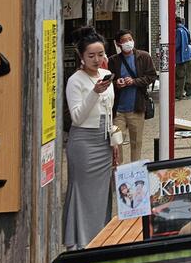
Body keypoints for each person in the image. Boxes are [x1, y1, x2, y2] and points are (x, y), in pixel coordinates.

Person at [63, 28, 115, 249]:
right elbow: (76, 116)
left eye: (101, 54)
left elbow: (110, 110)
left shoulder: (106, 75)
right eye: (91, 56)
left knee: (103, 191)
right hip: (83, 142)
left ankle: (101, 235)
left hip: (104, 140)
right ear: (81, 57)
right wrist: (94, 92)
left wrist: (114, 139)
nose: (97, 59)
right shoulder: (75, 80)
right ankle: (79, 241)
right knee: (82, 192)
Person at [108, 30, 157, 162]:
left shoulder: (144, 56)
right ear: (118, 44)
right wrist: (116, 83)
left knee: (137, 142)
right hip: (118, 110)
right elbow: (107, 81)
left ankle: (134, 170)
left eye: (130, 39)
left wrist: (135, 81)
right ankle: (118, 168)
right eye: (124, 41)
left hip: (137, 108)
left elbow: (152, 76)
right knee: (117, 141)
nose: (128, 42)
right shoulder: (113, 61)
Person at [175, 15, 191, 99]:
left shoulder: (179, 31)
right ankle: (190, 93)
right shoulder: (185, 29)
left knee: (180, 76)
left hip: (182, 57)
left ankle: (178, 94)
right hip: (188, 56)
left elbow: (177, 44)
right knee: (188, 76)